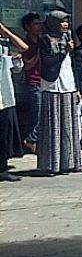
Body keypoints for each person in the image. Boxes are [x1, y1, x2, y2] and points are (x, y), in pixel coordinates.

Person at [37, 11, 82, 175]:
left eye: (67, 22)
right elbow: (48, 62)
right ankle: (52, 164)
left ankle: (69, 162)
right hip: (52, 84)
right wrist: (64, 52)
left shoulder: (67, 38)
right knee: (53, 125)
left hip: (68, 83)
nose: (65, 25)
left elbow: (72, 65)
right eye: (62, 22)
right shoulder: (46, 39)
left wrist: (76, 88)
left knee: (68, 125)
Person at [0, 21, 28, 181]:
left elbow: (23, 48)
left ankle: (2, 168)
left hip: (5, 95)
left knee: (4, 133)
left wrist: (7, 32)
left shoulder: (4, 46)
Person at [20, 12, 42, 153]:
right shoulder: (25, 43)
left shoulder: (42, 41)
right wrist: (38, 53)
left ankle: (32, 142)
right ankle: (30, 140)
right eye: (35, 24)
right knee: (38, 115)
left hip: (45, 81)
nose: (38, 26)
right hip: (32, 82)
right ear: (27, 27)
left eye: (39, 23)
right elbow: (27, 65)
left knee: (40, 114)